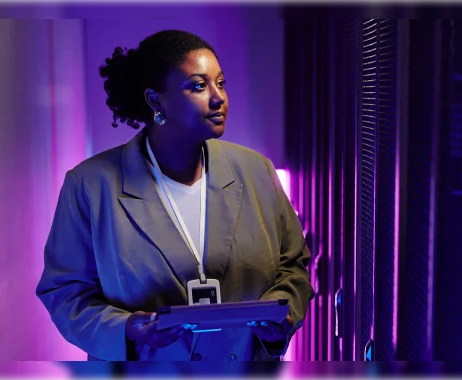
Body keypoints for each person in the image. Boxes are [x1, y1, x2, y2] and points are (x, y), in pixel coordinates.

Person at [35, 29, 313, 361]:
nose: (217, 97)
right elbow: (66, 294)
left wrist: (283, 313)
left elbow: (294, 266)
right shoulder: (90, 185)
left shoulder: (257, 172)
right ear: (156, 100)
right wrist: (126, 329)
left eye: (220, 83)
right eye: (198, 86)